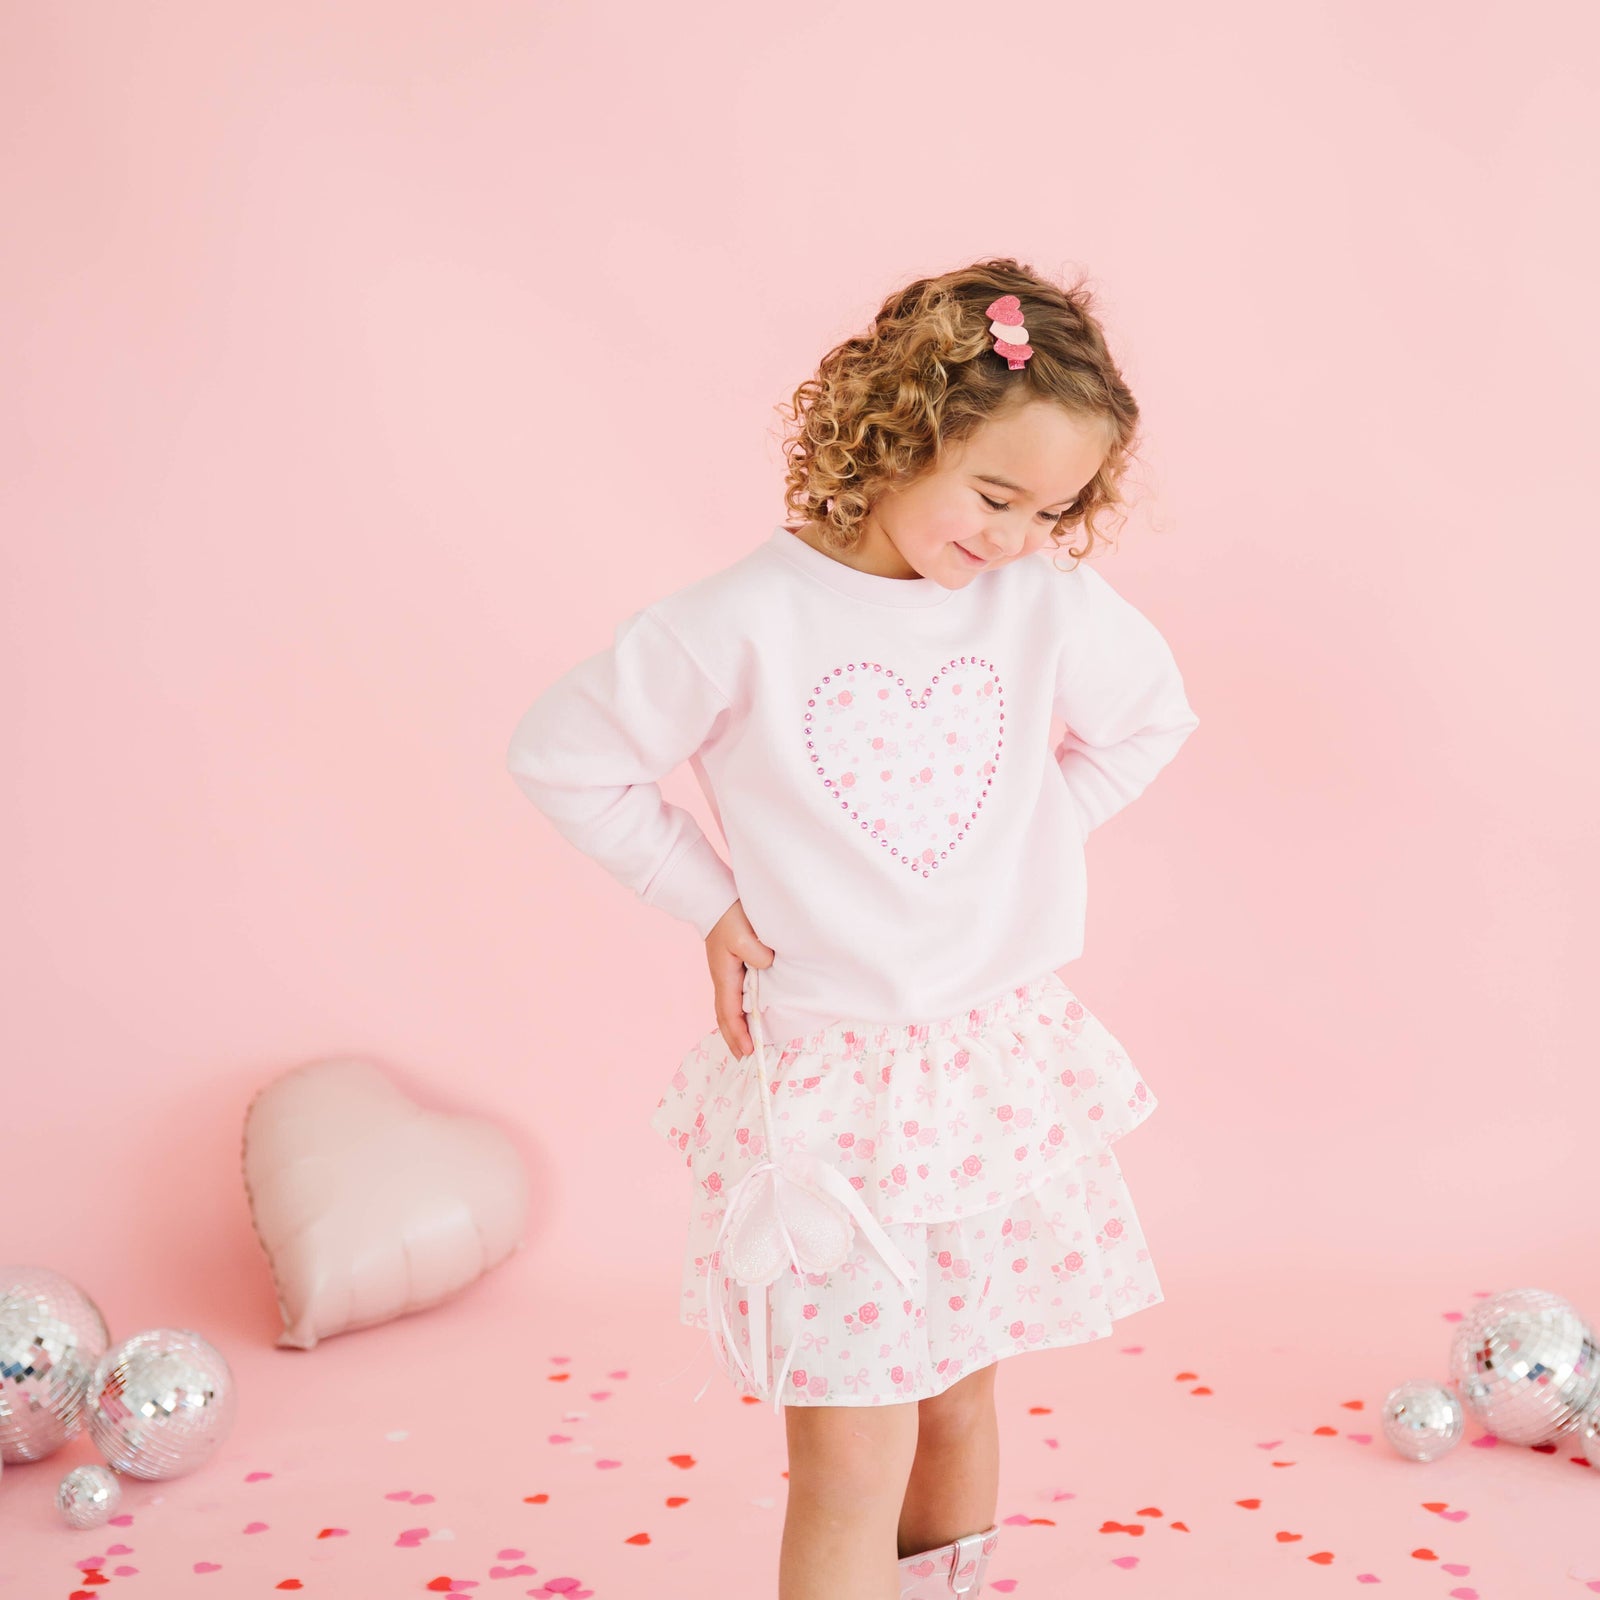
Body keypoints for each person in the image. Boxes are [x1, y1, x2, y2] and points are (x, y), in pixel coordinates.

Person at [504, 258, 1200, 1600]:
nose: (1009, 537)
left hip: (991, 1077)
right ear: (898, 432)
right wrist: (707, 898)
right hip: (838, 1094)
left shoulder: (1042, 605)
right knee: (850, 1453)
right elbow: (563, 755)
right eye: (994, 495)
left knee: (960, 1404)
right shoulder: (741, 622)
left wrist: (1034, 834)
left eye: (1050, 511)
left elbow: (1152, 721)